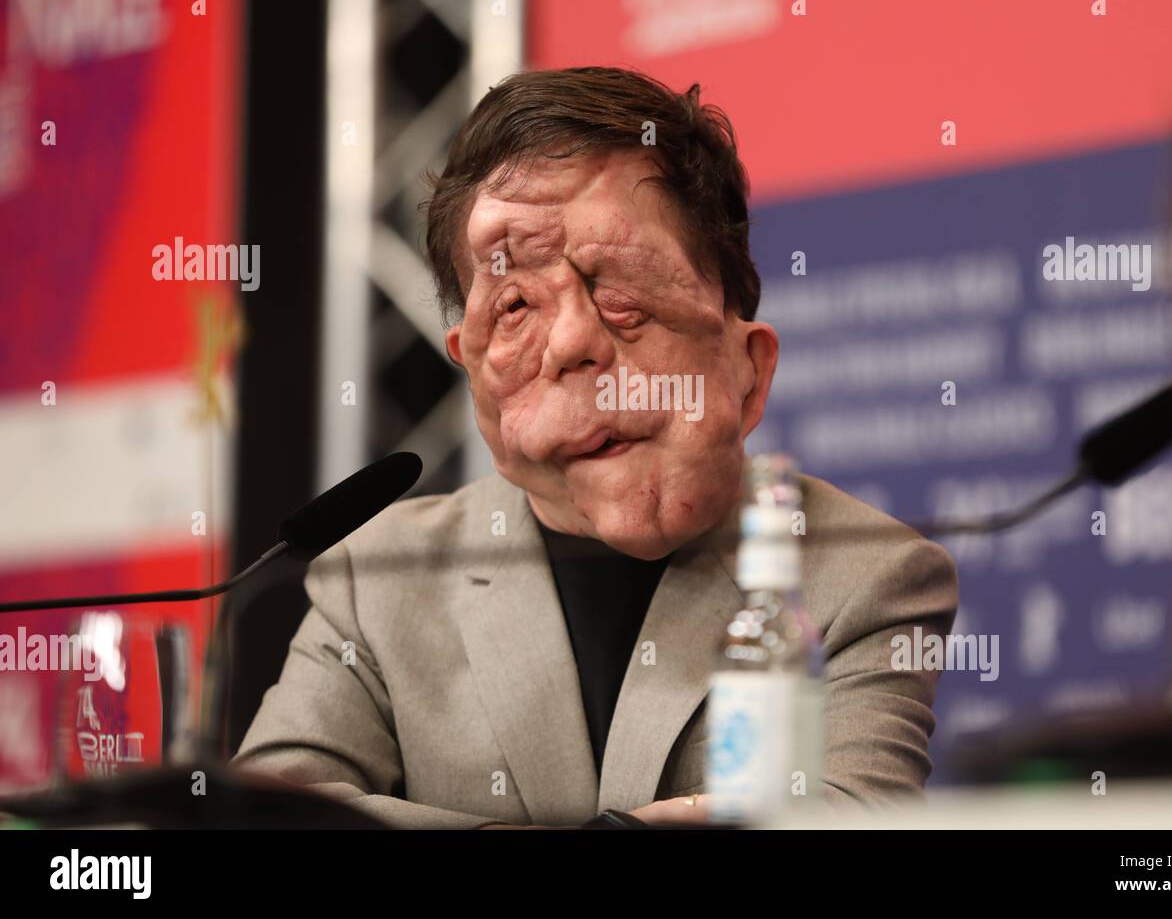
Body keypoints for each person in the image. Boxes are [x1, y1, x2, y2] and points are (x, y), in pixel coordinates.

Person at [234, 67, 958, 828]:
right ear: (473, 370)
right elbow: (267, 819)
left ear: (750, 370)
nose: (575, 343)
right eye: (514, 307)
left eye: (623, 294)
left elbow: (838, 820)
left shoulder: (864, 575)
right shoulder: (379, 577)